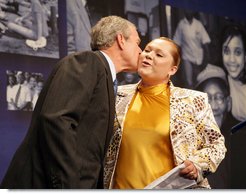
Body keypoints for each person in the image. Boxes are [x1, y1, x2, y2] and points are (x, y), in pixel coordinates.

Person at [0, 15, 141, 189]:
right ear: (121, 40)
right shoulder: (87, 62)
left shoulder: (105, 76)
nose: (141, 51)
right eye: (137, 42)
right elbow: (57, 121)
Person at [104, 37, 226, 189]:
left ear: (172, 69)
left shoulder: (193, 100)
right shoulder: (115, 96)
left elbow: (216, 144)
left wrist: (197, 165)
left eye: (159, 55)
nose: (148, 55)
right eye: (147, 50)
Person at [196, 64, 238, 189]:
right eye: (208, 99)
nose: (213, 106)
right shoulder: (190, 140)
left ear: (228, 103)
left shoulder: (240, 139)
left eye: (219, 98)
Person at [173, 9, 211, 89]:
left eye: (190, 10)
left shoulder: (198, 24)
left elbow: (206, 42)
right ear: (184, 11)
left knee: (199, 80)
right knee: (189, 82)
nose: (188, 12)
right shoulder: (181, 25)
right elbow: (177, 43)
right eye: (186, 10)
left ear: (193, 11)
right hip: (187, 57)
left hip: (199, 59)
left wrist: (206, 60)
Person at [221, 25, 246, 122]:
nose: (231, 60)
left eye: (237, 52)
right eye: (226, 51)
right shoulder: (223, 77)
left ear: (245, 56)